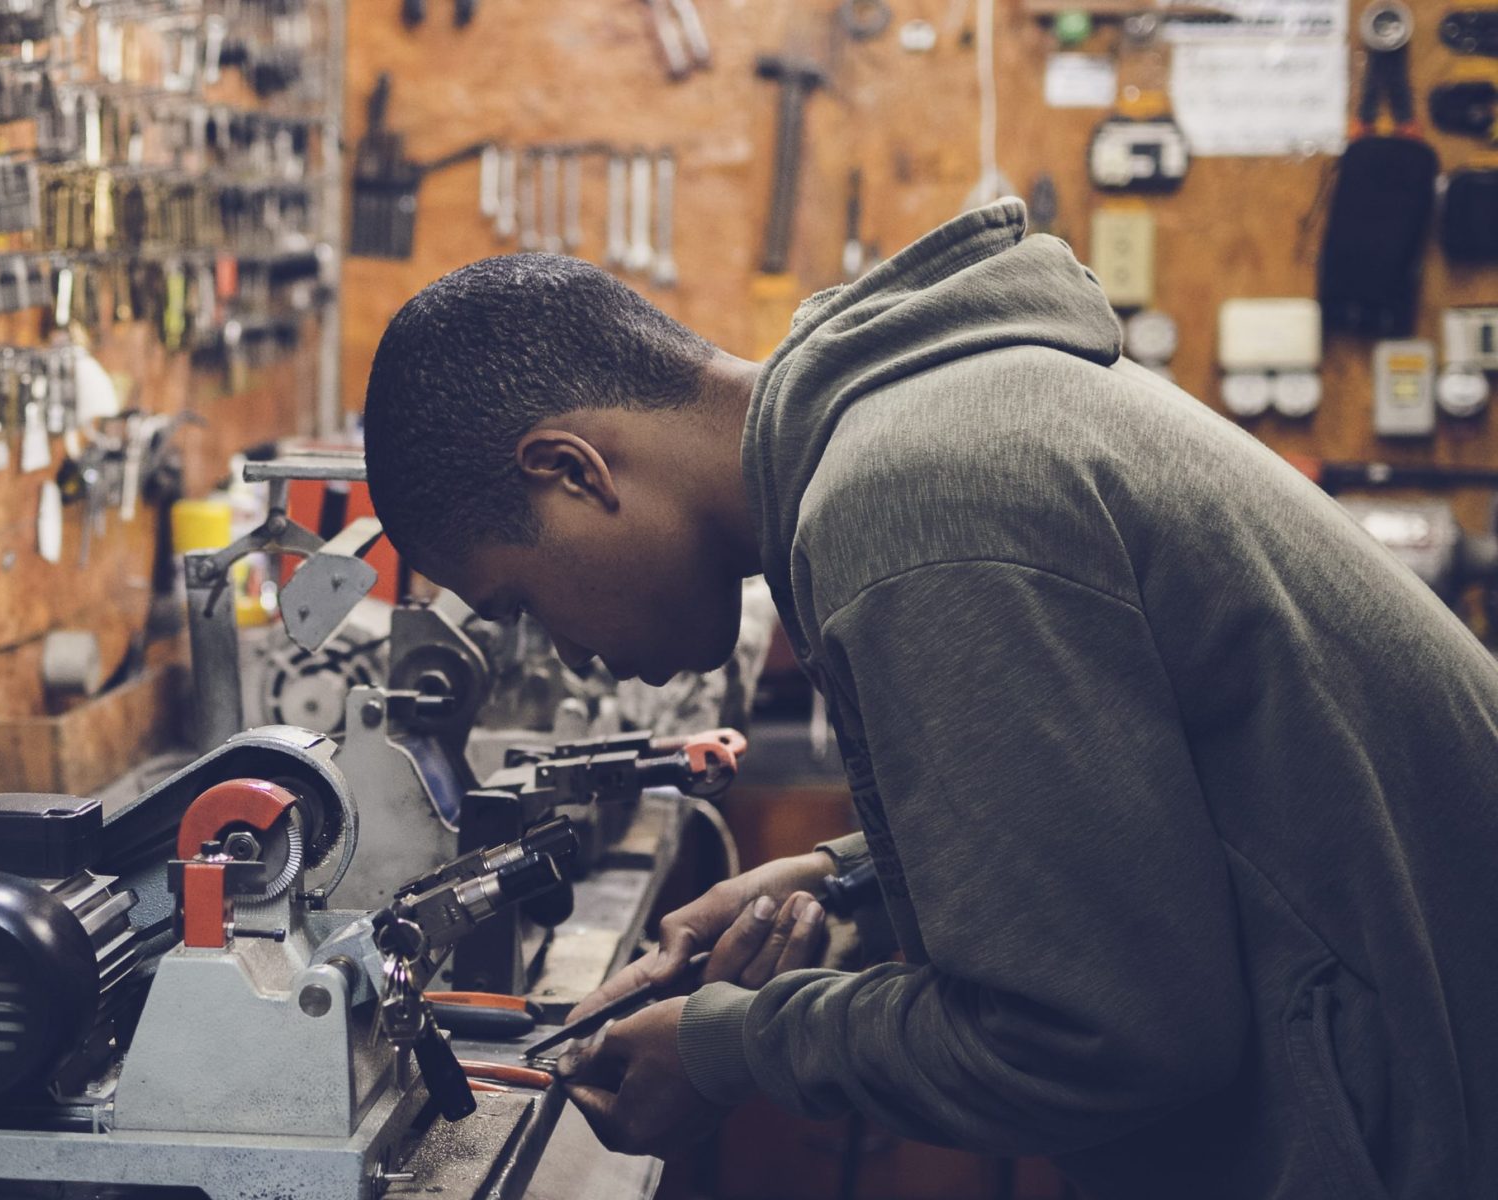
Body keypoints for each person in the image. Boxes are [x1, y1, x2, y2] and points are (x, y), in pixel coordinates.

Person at [358, 199, 1498, 1200]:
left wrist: (737, 1050)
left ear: (571, 469)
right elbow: (1139, 801)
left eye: (520, 600)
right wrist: (846, 875)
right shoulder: (927, 427)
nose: (570, 658)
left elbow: (1099, 1039)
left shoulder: (909, 506)